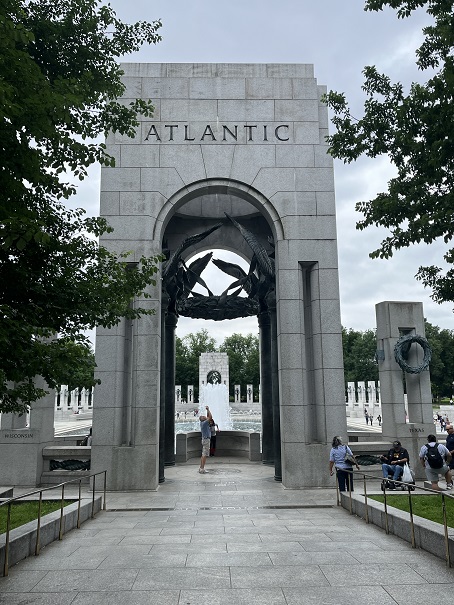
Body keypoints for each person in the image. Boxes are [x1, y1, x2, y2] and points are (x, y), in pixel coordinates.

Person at [198, 405, 212, 474]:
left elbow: (208, 417)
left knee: (203, 454)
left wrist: (207, 411)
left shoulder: (202, 423)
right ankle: (202, 469)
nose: (205, 416)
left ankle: (201, 467)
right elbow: (210, 417)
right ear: (203, 419)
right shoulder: (205, 423)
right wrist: (208, 410)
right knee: (205, 455)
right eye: (204, 417)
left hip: (204, 439)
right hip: (206, 440)